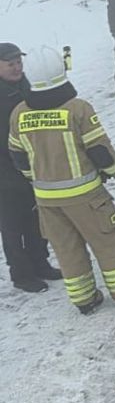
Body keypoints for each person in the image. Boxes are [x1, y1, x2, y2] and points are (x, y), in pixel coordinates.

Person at [7, 46, 115, 314]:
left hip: (46, 200)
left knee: (67, 248)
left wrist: (37, 179)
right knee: (106, 241)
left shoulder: (19, 112)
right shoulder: (77, 109)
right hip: (85, 196)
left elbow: (18, 156)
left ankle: (84, 298)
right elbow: (100, 150)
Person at [0, 44, 61, 293]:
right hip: (4, 172)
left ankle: (40, 262)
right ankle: (21, 274)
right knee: (12, 226)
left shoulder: (28, 85)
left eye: (18, 62)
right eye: (10, 64)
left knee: (37, 218)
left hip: (33, 165)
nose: (16, 67)